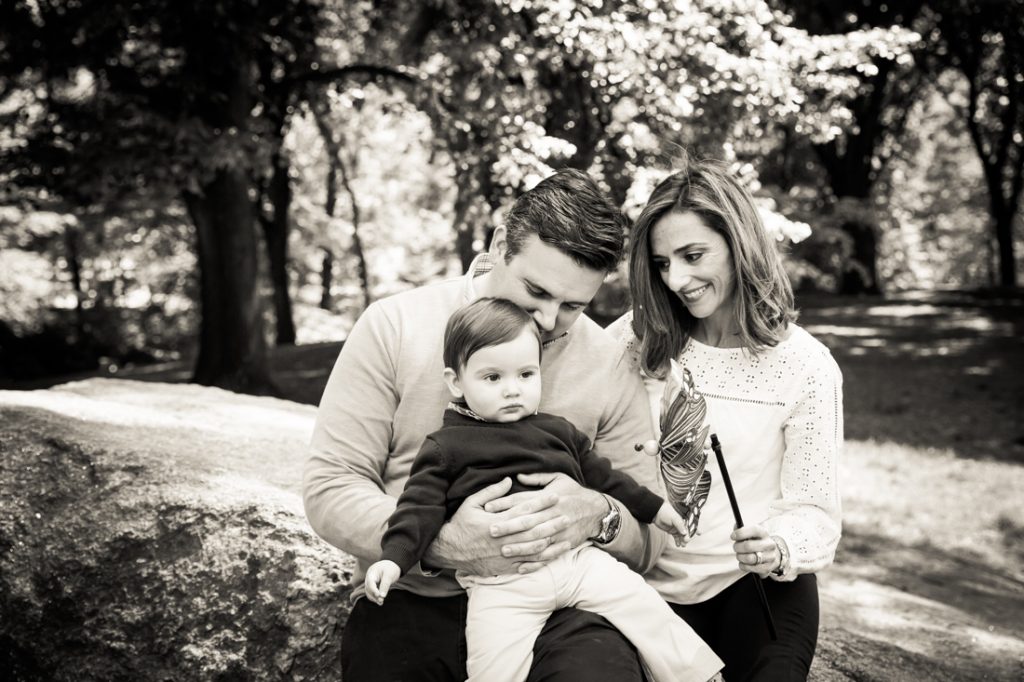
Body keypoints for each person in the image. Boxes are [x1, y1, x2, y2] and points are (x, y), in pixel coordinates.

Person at [304, 169, 668, 681]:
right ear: (500, 245)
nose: (546, 320)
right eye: (535, 291)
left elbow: (651, 539)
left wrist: (600, 515)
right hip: (418, 599)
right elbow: (330, 486)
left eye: (572, 306)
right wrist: (443, 542)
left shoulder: (611, 365)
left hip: (566, 605)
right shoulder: (395, 326)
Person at [364, 297, 724, 682]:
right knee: (494, 666)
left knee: (642, 606)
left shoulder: (559, 431)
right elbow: (417, 509)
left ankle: (699, 674)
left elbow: (609, 480)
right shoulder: (446, 447)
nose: (512, 390)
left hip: (578, 564)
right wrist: (393, 558)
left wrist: (658, 510)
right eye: (492, 378)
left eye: (525, 375)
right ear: (456, 382)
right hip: (501, 584)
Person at [608, 156, 843, 681]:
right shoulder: (632, 337)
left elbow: (815, 514)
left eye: (694, 255)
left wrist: (779, 545)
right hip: (641, 583)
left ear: (739, 244)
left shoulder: (806, 366)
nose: (678, 279)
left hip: (752, 590)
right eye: (663, 263)